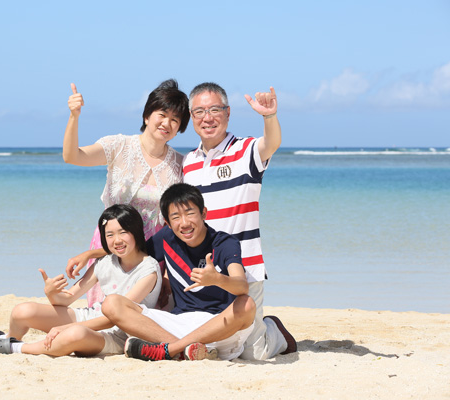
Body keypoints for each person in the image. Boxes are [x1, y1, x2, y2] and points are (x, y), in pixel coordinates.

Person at [182, 82, 296, 360]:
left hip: (246, 270)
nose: (207, 117)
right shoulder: (188, 163)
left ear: (228, 113)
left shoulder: (246, 151)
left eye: (214, 109)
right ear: (191, 117)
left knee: (253, 354)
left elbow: (272, 144)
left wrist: (269, 116)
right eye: (199, 111)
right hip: (206, 270)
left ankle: (274, 329)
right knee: (217, 338)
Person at [0, 204, 162, 357]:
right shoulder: (105, 262)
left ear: (136, 232)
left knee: (74, 334)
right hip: (89, 318)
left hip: (118, 334)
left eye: (122, 232)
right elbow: (67, 299)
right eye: (109, 235)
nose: (116, 240)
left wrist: (67, 327)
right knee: (22, 311)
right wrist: (51, 293)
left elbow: (115, 318)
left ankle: (16, 347)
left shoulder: (148, 270)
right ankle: (8, 338)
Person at [63, 79, 189, 307]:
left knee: (139, 319)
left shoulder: (181, 165)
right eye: (162, 114)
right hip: (110, 246)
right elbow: (73, 156)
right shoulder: (119, 146)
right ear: (147, 116)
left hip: (151, 257)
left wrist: (169, 276)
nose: (167, 123)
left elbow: (176, 225)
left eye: (175, 119)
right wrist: (74, 116)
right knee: (102, 315)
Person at [100, 183, 256, 361]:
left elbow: (242, 286)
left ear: (203, 213)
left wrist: (218, 279)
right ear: (166, 222)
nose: (184, 223)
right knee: (111, 303)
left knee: (247, 304)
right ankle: (184, 350)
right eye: (176, 217)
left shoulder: (224, 243)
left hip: (219, 327)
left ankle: (172, 349)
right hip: (177, 325)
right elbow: (131, 251)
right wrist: (90, 254)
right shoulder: (166, 238)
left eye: (190, 213)